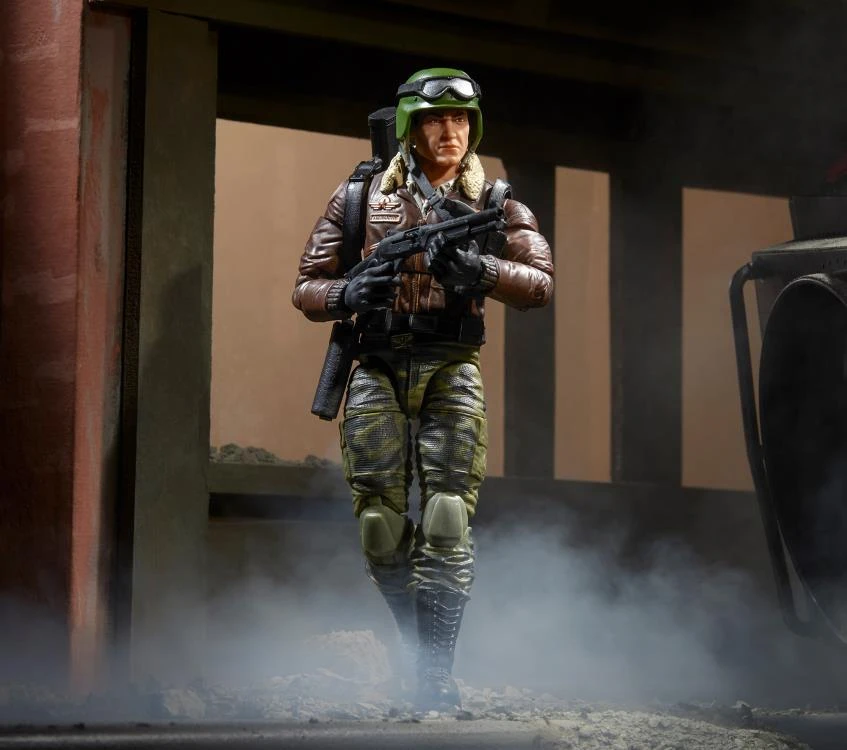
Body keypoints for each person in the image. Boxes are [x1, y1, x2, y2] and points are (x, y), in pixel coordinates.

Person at [292, 67, 554, 711]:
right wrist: (348, 291)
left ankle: (435, 672)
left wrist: (480, 269)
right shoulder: (361, 194)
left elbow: (541, 282)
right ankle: (416, 649)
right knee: (380, 527)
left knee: (446, 519)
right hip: (376, 361)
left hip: (450, 363)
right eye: (436, 119)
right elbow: (306, 286)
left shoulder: (494, 200)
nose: (450, 132)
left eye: (461, 119)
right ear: (411, 126)